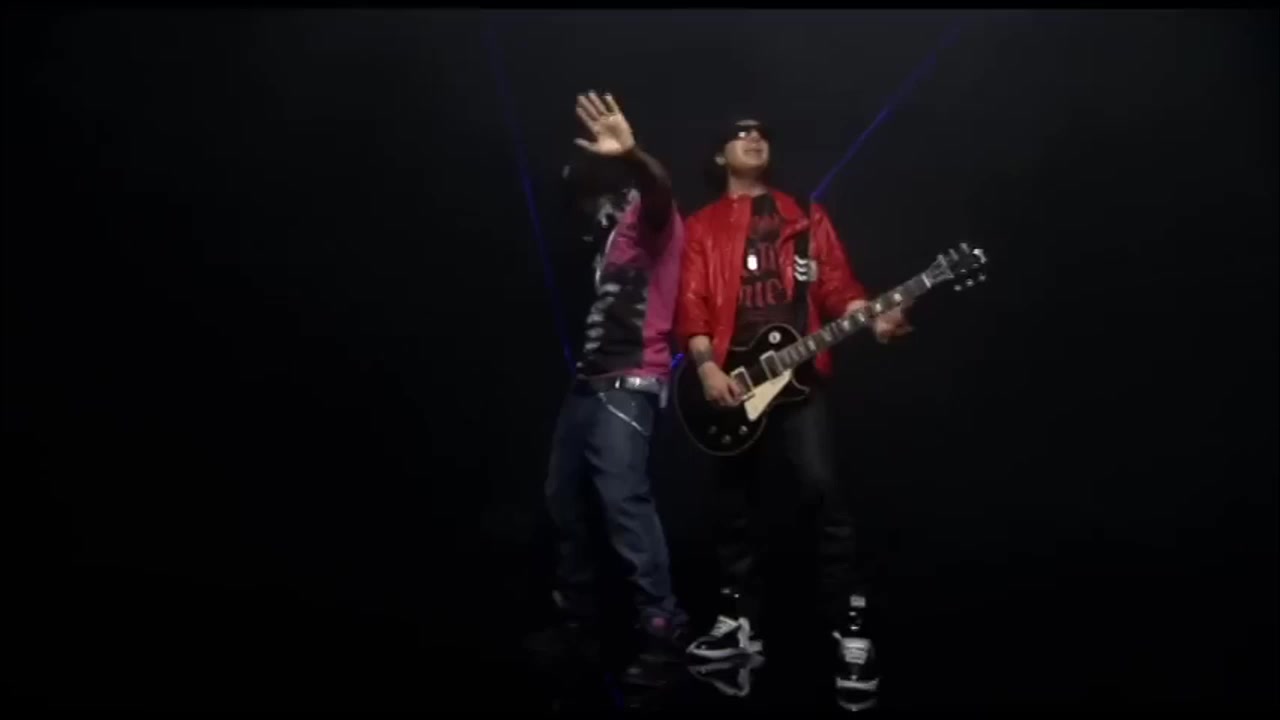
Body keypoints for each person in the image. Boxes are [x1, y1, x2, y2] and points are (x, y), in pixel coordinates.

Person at [674, 118, 911, 708]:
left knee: (822, 491)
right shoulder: (701, 225)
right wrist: (707, 370)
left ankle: (850, 630)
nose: (755, 138)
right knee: (734, 506)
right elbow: (692, 304)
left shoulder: (804, 214)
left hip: (800, 376)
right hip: (735, 385)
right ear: (719, 154)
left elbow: (838, 286)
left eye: (761, 132)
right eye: (740, 133)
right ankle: (737, 624)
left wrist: (873, 318)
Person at [542, 91, 688, 684]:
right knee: (562, 499)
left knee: (624, 503)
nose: (590, 206)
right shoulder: (608, 239)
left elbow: (658, 187)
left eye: (597, 192)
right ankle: (578, 624)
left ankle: (662, 630)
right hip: (589, 384)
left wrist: (631, 155)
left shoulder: (651, 216)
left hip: (630, 382)